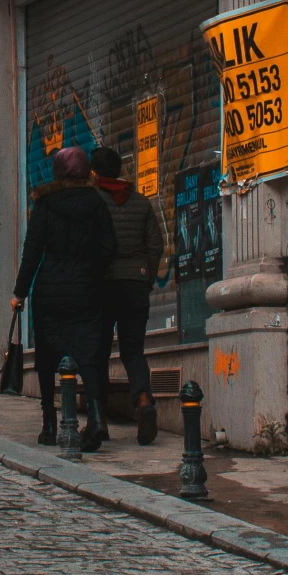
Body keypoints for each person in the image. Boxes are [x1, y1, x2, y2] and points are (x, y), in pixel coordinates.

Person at [12, 147, 116, 448]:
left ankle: (48, 424)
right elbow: (109, 247)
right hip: (87, 290)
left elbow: (31, 252)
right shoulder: (96, 203)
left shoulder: (45, 205)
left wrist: (20, 292)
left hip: (51, 291)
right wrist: (91, 270)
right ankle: (95, 418)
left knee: (47, 357)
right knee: (89, 357)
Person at [87, 146, 167, 445]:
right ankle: (144, 401)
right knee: (133, 349)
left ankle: (100, 418)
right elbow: (156, 245)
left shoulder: (93, 202)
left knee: (99, 352)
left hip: (103, 285)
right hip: (135, 284)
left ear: (94, 172)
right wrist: (145, 277)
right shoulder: (141, 203)